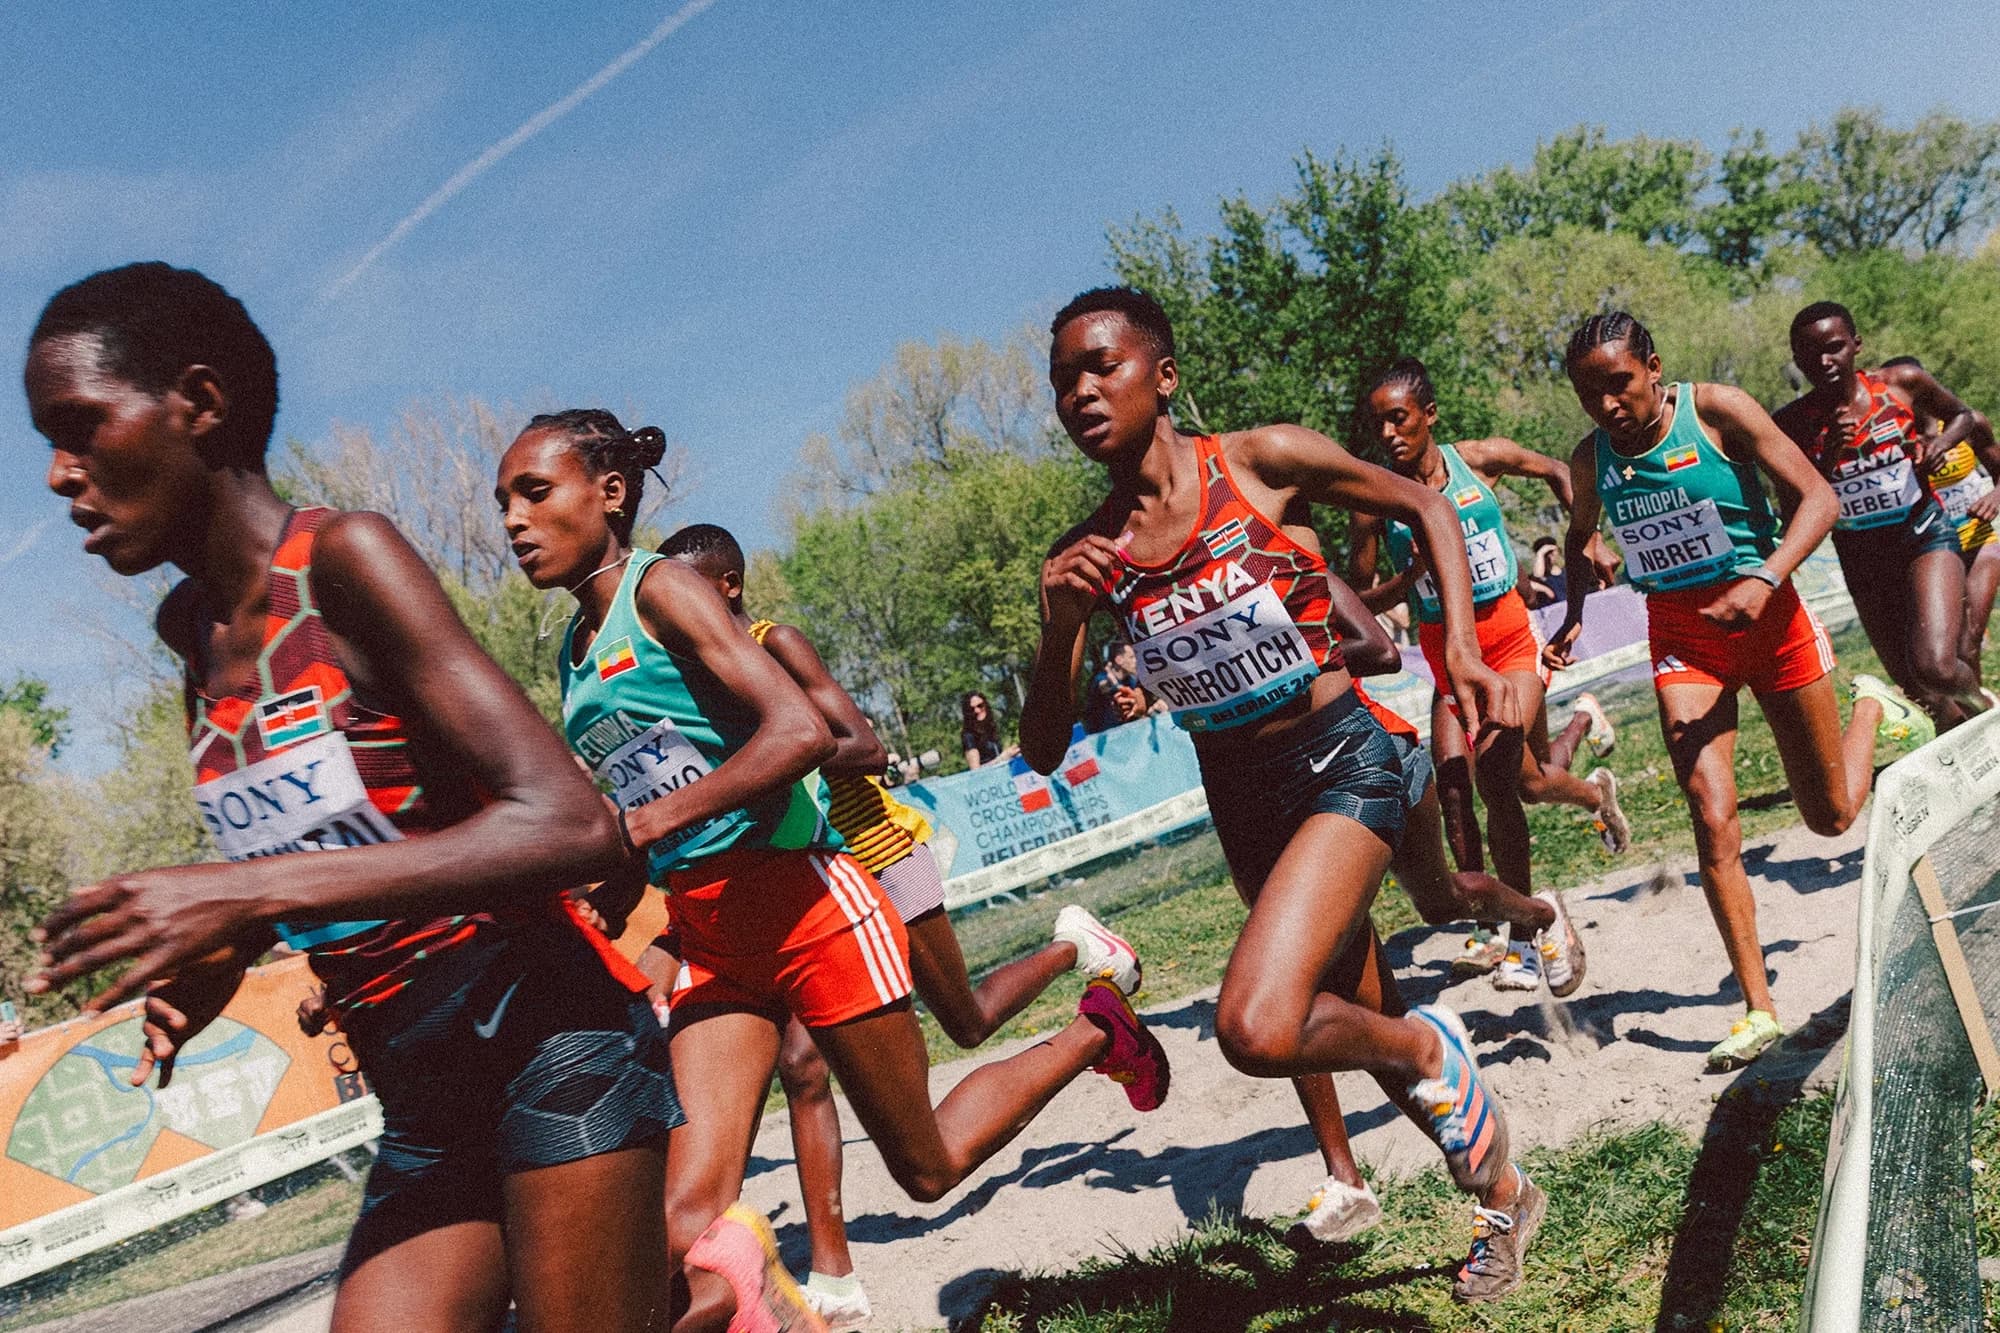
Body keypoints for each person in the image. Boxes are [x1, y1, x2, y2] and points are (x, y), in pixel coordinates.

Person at [23, 263, 678, 1332]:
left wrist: (245, 897)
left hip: (544, 1033)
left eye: (81, 426)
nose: (58, 474)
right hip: (418, 1094)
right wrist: (217, 955)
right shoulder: (186, 632)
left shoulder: (342, 562)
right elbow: (330, 836)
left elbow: (571, 823)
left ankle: (718, 1285)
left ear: (198, 404)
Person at [497, 409, 1170, 1333]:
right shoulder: (574, 654)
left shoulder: (663, 591)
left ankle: (1098, 1027)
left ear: (610, 494)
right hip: (714, 933)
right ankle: (764, 1298)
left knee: (927, 1166)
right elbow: (650, 798)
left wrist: (647, 820)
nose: (513, 520)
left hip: (810, 904)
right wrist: (599, 880)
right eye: (503, 503)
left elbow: (803, 731)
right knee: (682, 1221)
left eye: (534, 492)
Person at [1024, 286, 1543, 1304]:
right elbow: (1042, 749)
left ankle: (1438, 1037)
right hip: (1242, 798)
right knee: (1349, 1010)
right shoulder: (1085, 556)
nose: (1080, 391)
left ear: (1162, 375)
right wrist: (1056, 630)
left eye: (1102, 366)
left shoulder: (1257, 461)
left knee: (1257, 1024)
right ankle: (1500, 1191)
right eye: (1061, 379)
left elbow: (1427, 505)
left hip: (1342, 758)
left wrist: (1471, 655)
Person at [655, 522, 1142, 1326]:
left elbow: (865, 746)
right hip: (806, 883)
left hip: (879, 857)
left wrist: (772, 752)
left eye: (683, 594)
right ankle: (836, 1272)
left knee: (969, 1019)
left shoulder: (776, 644)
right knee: (805, 1067)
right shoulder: (697, 674)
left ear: (728, 587)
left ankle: (1075, 952)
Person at [1548, 310, 1901, 1072]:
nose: (1609, 406)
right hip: (1683, 637)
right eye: (1590, 394)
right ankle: (1757, 1009)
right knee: (1712, 818)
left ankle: (1874, 705)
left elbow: (1818, 498)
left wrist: (1764, 577)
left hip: (1769, 620)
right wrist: (1574, 613)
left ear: (1654, 368)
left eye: (1620, 385)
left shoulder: (1717, 411)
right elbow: (1581, 535)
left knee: (1833, 814)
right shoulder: (1591, 459)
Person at [1293, 573, 1585, 1242]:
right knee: (1296, 984)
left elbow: (1378, 645)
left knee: (1442, 898)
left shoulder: (1280, 538)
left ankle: (1535, 916)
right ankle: (1347, 1177)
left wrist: (1299, 656)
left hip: (1360, 757)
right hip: (1265, 795)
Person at [1348, 358, 1628, 992]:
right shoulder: (1373, 503)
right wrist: (1412, 576)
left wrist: (1589, 539)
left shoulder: (1478, 460)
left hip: (1506, 638)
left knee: (1504, 780)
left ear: (1428, 417)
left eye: (1400, 419)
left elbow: (1560, 470)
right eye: (1377, 425)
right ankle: (1581, 804)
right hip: (1447, 655)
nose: (1389, 434)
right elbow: (1358, 598)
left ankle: (1527, 938)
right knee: (1461, 785)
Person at [1774, 303, 1988, 732]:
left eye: (1835, 348)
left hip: (1924, 537)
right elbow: (1794, 510)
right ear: (1797, 361)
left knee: (1938, 668)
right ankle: (1966, 758)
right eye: (1811, 355)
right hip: (1862, 558)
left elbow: (1965, 416)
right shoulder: (1791, 424)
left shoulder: (1900, 385)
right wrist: (1829, 453)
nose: (1825, 362)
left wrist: (1941, 443)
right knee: (1915, 687)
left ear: (1856, 344)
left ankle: (1985, 709)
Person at [1879, 355, 2000, 684]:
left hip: (1978, 541)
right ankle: (1969, 716)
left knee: (1967, 641)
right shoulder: (1891, 440)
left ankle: (1984, 722)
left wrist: (1993, 497)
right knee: (1939, 655)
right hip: (1932, 551)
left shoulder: (1968, 424)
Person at [1083, 640, 1165, 732]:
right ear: (1119, 660)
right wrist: (1113, 681)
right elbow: (1105, 687)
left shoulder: (1131, 681)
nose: (1136, 661)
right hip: (1102, 736)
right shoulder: (1101, 679)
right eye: (1131, 657)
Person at [960, 692, 1017, 768]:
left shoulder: (990, 729)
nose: (977, 710)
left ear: (986, 705)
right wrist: (1002, 758)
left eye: (980, 706)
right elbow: (976, 771)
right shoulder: (968, 736)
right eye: (971, 709)